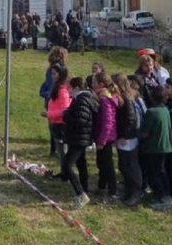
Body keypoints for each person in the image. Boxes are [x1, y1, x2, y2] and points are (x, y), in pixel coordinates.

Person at [61, 77, 100, 209]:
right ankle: (84, 188)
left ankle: (81, 194)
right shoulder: (81, 99)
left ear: (77, 88)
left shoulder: (82, 100)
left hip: (79, 138)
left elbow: (81, 120)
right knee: (81, 163)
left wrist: (65, 115)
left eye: (70, 88)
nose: (69, 91)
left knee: (67, 166)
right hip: (79, 137)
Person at [141, 85, 172, 210]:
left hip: (155, 147)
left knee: (155, 173)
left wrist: (137, 132)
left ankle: (163, 198)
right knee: (161, 171)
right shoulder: (165, 109)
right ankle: (165, 195)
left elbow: (145, 133)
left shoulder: (151, 112)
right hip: (165, 146)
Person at [112, 73, 142, 206]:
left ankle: (135, 192)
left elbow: (131, 118)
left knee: (131, 165)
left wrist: (125, 135)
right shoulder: (120, 97)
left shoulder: (127, 98)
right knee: (123, 165)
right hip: (122, 136)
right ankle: (128, 191)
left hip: (128, 138)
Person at [92, 72, 119, 200]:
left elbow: (108, 122)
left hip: (106, 137)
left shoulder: (105, 99)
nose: (92, 84)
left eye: (94, 82)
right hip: (102, 136)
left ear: (101, 84)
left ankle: (112, 191)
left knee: (107, 164)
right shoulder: (101, 97)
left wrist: (102, 140)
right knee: (101, 162)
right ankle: (101, 186)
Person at [44, 63, 71, 178]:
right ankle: (63, 171)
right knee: (60, 151)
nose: (52, 76)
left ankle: (66, 174)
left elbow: (65, 111)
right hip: (55, 123)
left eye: (54, 74)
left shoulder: (63, 91)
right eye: (52, 73)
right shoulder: (56, 87)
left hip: (61, 125)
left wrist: (48, 114)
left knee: (63, 151)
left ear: (61, 75)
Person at [40, 47, 68, 156]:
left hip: (51, 99)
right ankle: (56, 150)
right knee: (57, 124)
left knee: (52, 124)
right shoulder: (60, 68)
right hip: (57, 98)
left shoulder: (50, 68)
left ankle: (54, 149)